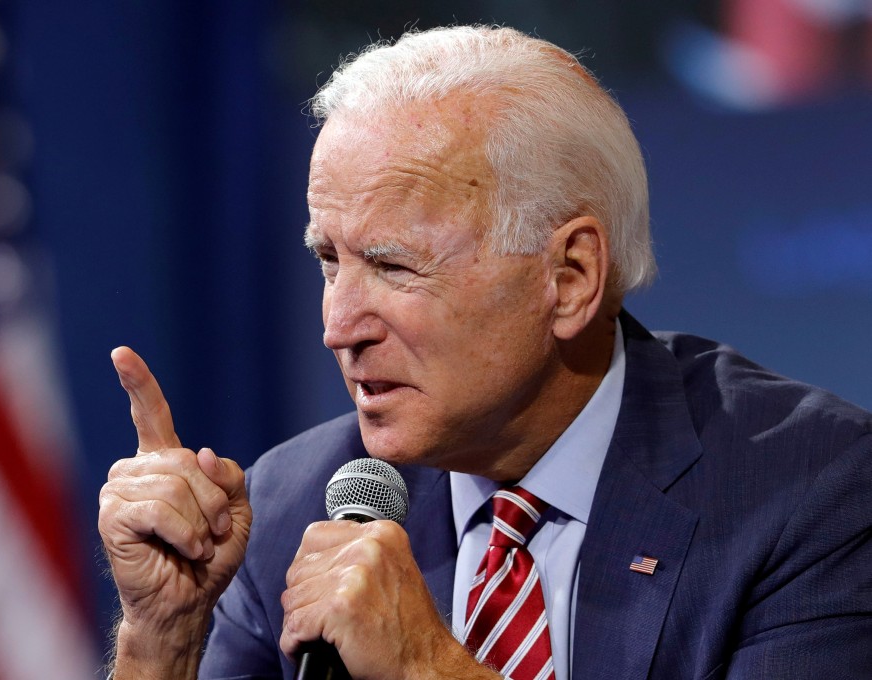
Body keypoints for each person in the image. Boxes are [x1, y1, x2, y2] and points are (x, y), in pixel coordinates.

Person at [97, 25, 872, 680]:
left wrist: (428, 665)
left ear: (568, 278)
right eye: (330, 261)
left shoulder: (809, 492)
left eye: (394, 266)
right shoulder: (295, 503)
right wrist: (162, 639)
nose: (338, 325)